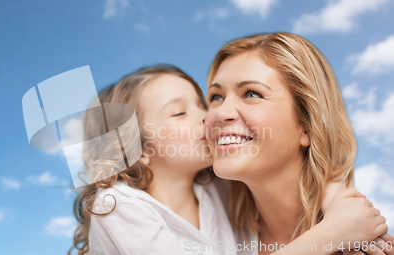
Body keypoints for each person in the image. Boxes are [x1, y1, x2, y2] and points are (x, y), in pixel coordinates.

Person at [69, 64, 388, 255]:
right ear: (138, 150)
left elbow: (303, 167)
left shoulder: (217, 188)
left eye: (203, 104)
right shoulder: (117, 206)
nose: (210, 116)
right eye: (180, 113)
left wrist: (339, 204)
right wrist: (332, 233)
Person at [204, 32, 392, 255]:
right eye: (216, 97)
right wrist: (330, 232)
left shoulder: (364, 246)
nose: (221, 112)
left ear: (308, 125)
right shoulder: (211, 227)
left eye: (252, 93)